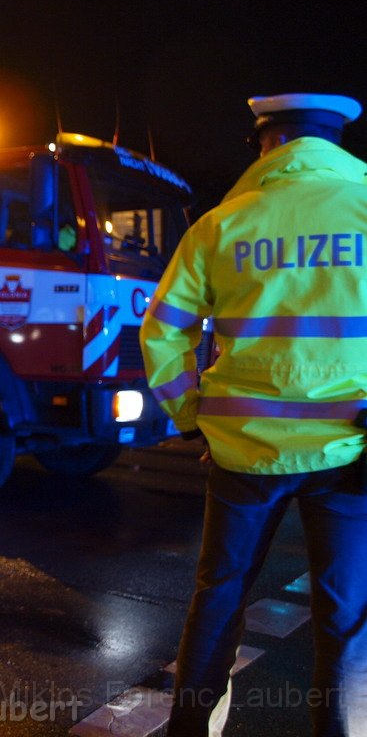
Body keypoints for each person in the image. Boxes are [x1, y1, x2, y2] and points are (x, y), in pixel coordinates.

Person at [140, 93, 367, 737]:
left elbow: (162, 332)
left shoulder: (222, 224)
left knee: (220, 600)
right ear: (334, 144)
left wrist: (191, 417)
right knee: (345, 623)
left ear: (268, 144)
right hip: (350, 454)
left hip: (242, 453)